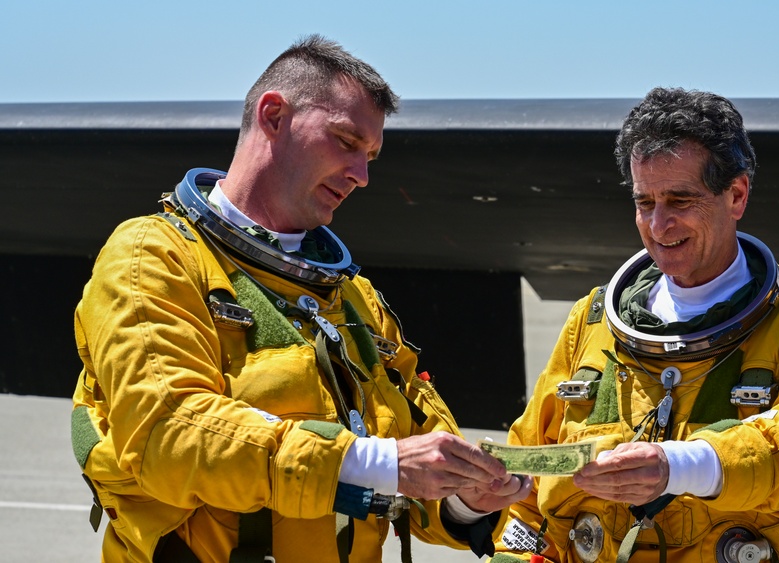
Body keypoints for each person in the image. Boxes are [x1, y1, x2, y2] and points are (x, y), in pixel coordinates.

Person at [70, 34, 532, 563]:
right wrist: (376, 462)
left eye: (372, 157)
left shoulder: (356, 299)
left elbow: (414, 466)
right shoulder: (152, 256)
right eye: (346, 141)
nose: (362, 177)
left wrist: (466, 499)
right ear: (273, 116)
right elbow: (168, 432)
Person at [490, 88, 779, 563]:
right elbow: (528, 487)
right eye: (644, 201)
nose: (658, 224)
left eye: (680, 199)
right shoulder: (591, 321)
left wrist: (677, 466)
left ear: (736, 195)